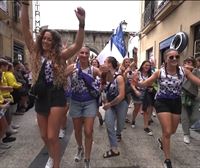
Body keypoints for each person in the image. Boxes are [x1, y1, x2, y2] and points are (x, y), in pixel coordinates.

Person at [20, 2, 85, 168]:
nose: (46, 41)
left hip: (56, 94)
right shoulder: (35, 53)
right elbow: (25, 28)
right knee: (43, 135)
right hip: (41, 95)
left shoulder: (60, 56)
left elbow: (77, 45)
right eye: (44, 38)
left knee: (52, 136)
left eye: (49, 39)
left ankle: (56, 164)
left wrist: (81, 24)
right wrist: (25, 5)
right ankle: (51, 155)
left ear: (54, 41)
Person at [133, 48, 200, 168]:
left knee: (172, 131)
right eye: (171, 57)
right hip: (162, 101)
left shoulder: (183, 71)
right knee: (167, 131)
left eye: (177, 57)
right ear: (166, 59)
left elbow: (197, 81)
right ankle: (167, 160)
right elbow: (146, 83)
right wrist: (136, 83)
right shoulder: (159, 72)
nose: (175, 59)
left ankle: (162, 139)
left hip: (176, 102)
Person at [67, 46, 101, 168]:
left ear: (89, 55)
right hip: (75, 101)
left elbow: (105, 79)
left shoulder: (94, 69)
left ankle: (87, 158)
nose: (84, 55)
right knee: (77, 130)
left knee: (88, 131)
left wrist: (107, 72)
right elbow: (61, 78)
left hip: (89, 102)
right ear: (78, 54)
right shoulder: (72, 67)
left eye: (86, 53)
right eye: (82, 52)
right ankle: (80, 148)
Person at [101, 56, 128, 158]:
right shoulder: (103, 76)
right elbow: (103, 90)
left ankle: (119, 132)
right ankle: (114, 149)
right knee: (109, 124)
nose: (103, 64)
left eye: (105, 62)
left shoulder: (119, 77)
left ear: (110, 65)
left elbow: (121, 95)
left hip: (121, 104)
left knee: (120, 125)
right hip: (110, 105)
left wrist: (110, 104)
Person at [181, 56, 197, 144]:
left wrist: (193, 69)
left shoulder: (196, 71)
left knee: (195, 117)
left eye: (190, 62)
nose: (187, 64)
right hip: (183, 96)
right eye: (186, 62)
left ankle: (188, 128)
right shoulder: (181, 72)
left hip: (195, 97)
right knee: (185, 117)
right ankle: (186, 134)